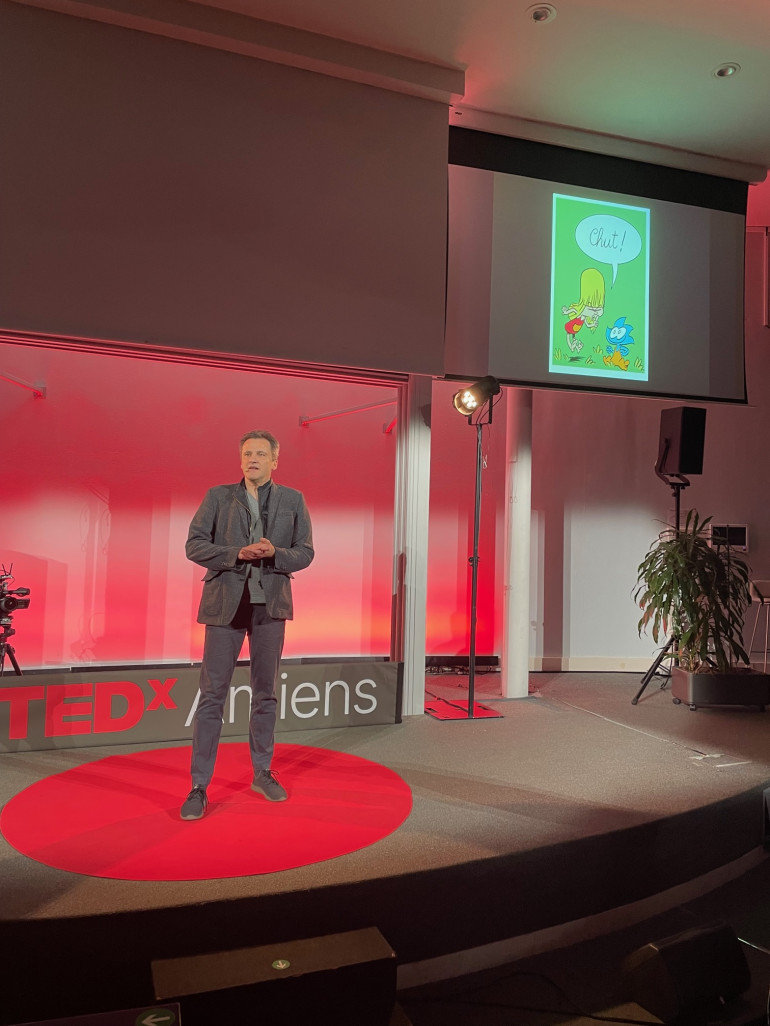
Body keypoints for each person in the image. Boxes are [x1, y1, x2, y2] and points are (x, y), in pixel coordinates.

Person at [181, 430, 314, 820]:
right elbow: (194, 545)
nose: (252, 459)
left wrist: (276, 553)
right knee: (212, 696)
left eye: (260, 454)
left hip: (270, 605)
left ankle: (262, 771)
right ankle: (198, 786)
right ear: (240, 460)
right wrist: (236, 552)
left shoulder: (293, 500)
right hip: (226, 605)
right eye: (246, 454)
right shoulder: (218, 496)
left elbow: (305, 552)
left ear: (275, 460)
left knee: (266, 693)